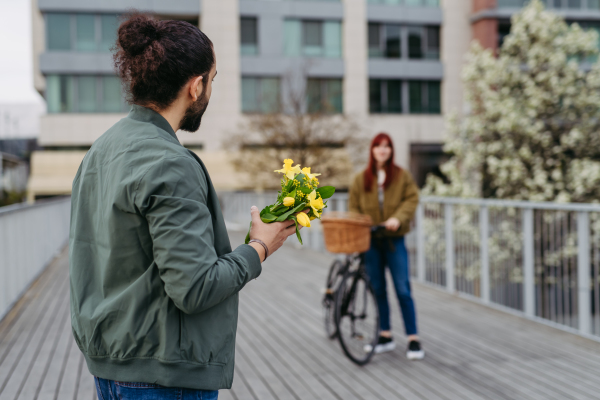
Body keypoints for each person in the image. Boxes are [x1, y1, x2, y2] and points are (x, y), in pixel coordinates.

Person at [69, 14, 299, 400]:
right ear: (195, 87)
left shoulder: (102, 149)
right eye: (212, 80)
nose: (210, 89)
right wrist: (259, 247)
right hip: (163, 378)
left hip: (111, 368)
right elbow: (195, 288)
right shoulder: (170, 162)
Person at [348, 132, 424, 360]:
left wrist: (398, 218)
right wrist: (363, 223)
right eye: (378, 146)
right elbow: (353, 207)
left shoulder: (402, 176)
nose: (382, 150)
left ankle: (413, 338)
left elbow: (411, 198)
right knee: (378, 289)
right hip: (370, 241)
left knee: (403, 288)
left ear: (391, 150)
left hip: (394, 239)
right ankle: (385, 335)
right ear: (372, 150)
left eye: (387, 146)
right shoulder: (361, 179)